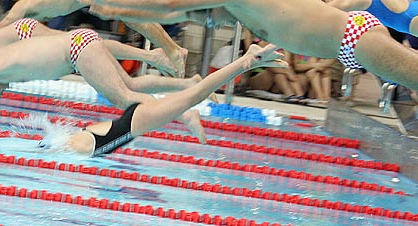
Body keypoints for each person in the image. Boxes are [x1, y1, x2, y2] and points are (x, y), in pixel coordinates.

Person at [83, 0, 418, 111]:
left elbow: (172, 2)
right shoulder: (240, 9)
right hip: (350, 39)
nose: (206, 18)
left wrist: (117, 1)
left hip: (353, 36)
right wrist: (123, 12)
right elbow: (172, 14)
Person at [34, 44, 286, 156]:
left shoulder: (76, 148)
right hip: (132, 116)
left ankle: (246, 61)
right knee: (172, 95)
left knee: (194, 97)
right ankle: (187, 109)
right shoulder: (73, 142)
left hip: (134, 122)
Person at [0, 21, 205, 115]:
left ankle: (154, 59)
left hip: (29, 36)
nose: (0, 95)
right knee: (128, 84)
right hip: (39, 40)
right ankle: (187, 85)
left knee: (124, 93)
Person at [0, 0, 188, 77]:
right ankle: (169, 52)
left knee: (131, 17)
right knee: (129, 16)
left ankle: (173, 51)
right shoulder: (29, 9)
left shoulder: (20, 9)